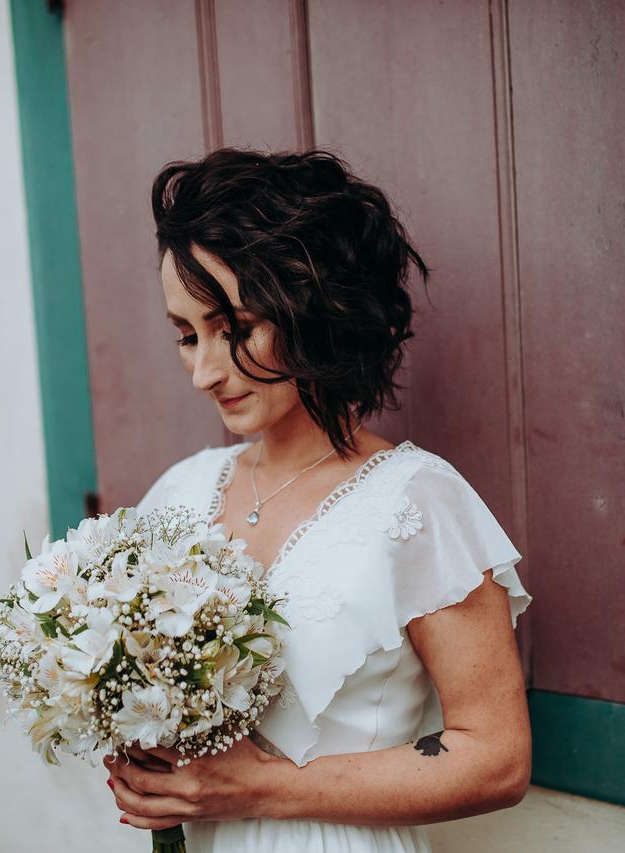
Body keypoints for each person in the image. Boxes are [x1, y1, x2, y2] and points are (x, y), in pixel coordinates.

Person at [102, 147, 534, 852]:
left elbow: (498, 758)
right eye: (186, 335)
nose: (203, 371)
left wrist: (263, 788)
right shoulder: (179, 491)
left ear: (312, 307)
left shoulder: (417, 501)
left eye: (234, 328)